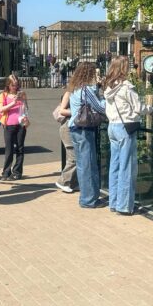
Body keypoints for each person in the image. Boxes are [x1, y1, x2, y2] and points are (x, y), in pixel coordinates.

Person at [103, 56, 153, 215]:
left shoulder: (108, 87)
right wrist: (150, 109)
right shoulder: (126, 87)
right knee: (127, 167)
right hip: (125, 128)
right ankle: (124, 206)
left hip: (112, 126)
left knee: (115, 165)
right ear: (123, 68)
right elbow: (138, 108)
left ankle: (114, 202)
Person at [68, 62, 106, 208]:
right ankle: (89, 200)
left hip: (74, 128)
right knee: (88, 164)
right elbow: (100, 107)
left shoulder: (75, 88)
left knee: (82, 164)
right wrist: (103, 96)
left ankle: (86, 197)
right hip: (84, 130)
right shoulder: (86, 89)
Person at [0, 75, 28, 180]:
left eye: (16, 85)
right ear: (8, 85)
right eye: (13, 85)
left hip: (20, 124)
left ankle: (17, 172)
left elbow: (25, 109)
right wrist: (13, 103)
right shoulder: (3, 95)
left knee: (20, 148)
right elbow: (1, 109)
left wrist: (23, 100)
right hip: (9, 124)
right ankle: (6, 172)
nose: (15, 87)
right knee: (9, 149)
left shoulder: (21, 94)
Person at [54, 90, 76, 193]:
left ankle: (72, 183)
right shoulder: (69, 93)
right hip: (67, 127)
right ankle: (63, 181)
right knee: (74, 157)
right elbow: (62, 111)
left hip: (73, 127)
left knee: (73, 157)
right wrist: (77, 111)